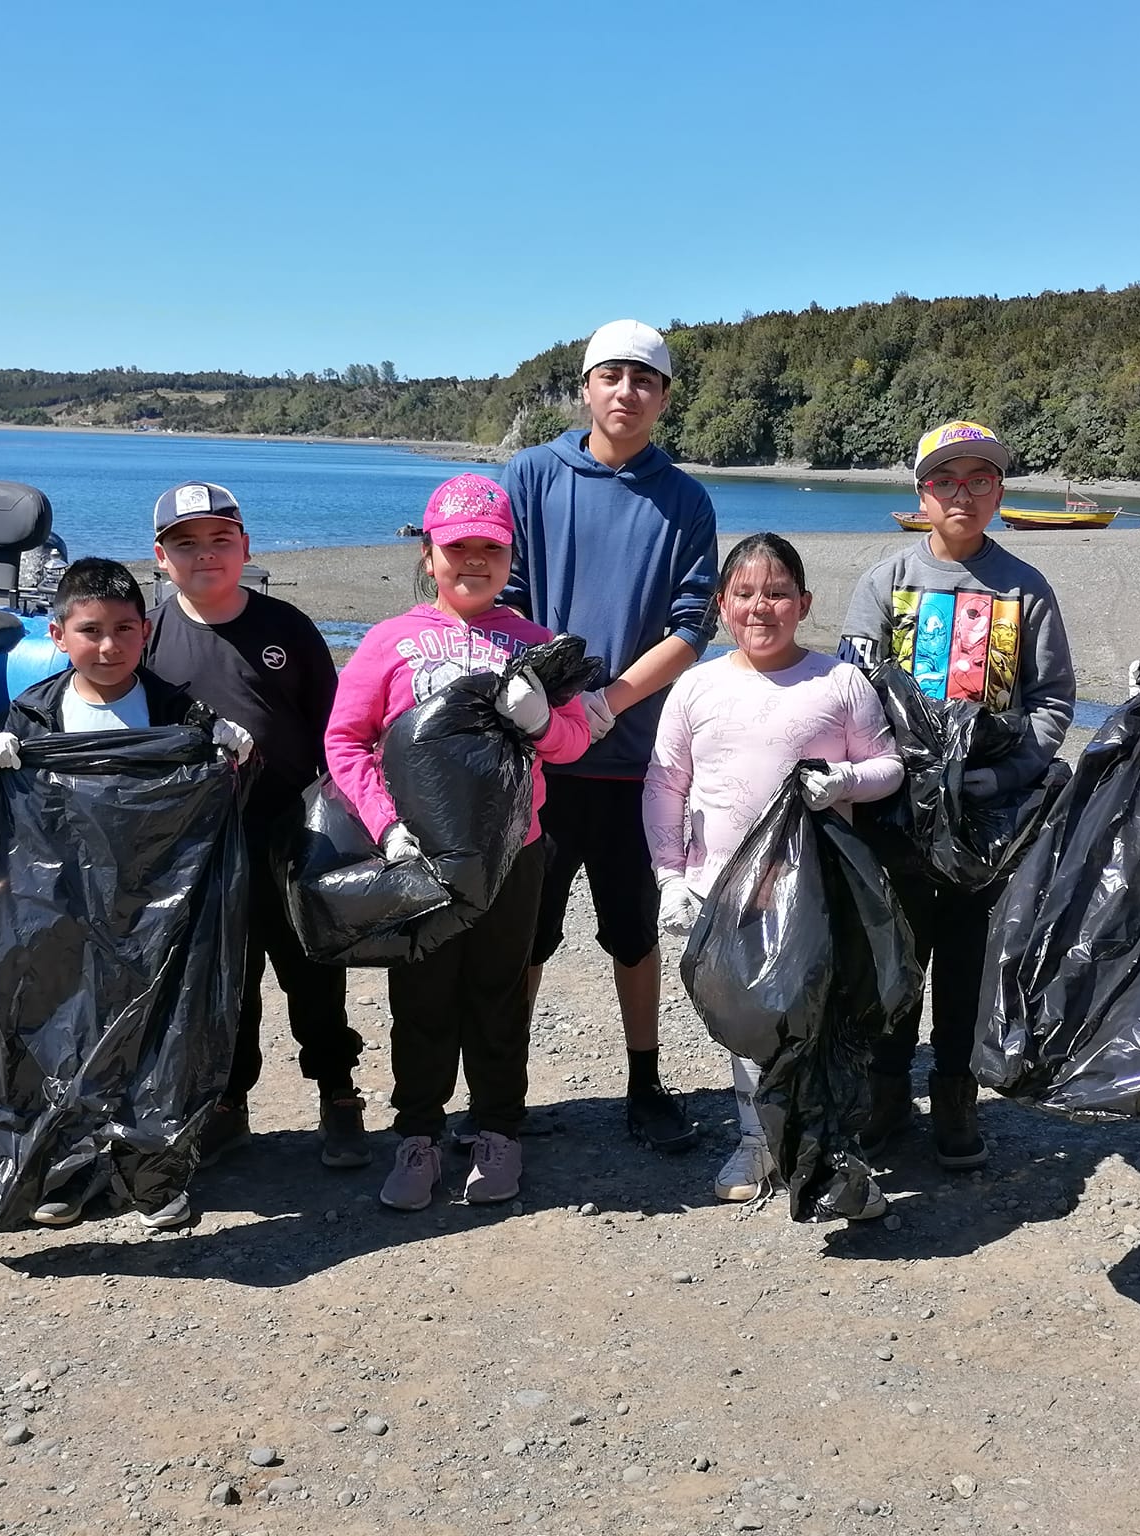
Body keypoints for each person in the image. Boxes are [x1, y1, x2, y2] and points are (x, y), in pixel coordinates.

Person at [324, 474, 591, 1210]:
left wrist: (541, 719)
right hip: (420, 857)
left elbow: (569, 745)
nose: (472, 562)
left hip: (516, 850)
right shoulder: (389, 641)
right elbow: (345, 743)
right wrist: (386, 826)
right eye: (457, 548)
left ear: (510, 557)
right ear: (430, 552)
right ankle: (417, 1134)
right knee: (422, 995)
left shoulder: (534, 643)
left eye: (489, 549)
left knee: (499, 993)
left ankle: (500, 1130)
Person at [0, 555, 255, 1231]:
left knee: (159, 1047)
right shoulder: (34, 719)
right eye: (90, 630)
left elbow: (210, 809)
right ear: (58, 634)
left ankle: (152, 1178)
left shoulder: (175, 710)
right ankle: (66, 1172)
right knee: (63, 1043)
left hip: (159, 920)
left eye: (125, 629)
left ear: (146, 631)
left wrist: (228, 748)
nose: (108, 646)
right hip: (62, 916)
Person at [499, 319, 719, 1153]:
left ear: (663, 398)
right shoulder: (532, 476)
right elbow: (503, 593)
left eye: (646, 380)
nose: (627, 392)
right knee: (527, 930)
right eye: (612, 376)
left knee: (632, 930)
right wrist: (547, 704)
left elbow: (692, 624)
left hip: (634, 762)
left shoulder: (685, 499)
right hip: (535, 759)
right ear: (587, 387)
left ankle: (646, 1081)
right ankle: (504, 1084)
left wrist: (612, 702)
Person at [839, 421, 1076, 1170]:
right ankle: (885, 1095)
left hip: (989, 819)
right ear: (922, 494)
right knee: (893, 955)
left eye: (981, 480)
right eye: (947, 481)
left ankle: (954, 1096)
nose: (964, 495)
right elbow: (852, 694)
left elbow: (1052, 702)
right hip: (897, 814)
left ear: (1000, 492)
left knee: (971, 961)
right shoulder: (885, 584)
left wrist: (999, 776)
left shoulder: (1024, 589)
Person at [645, 533, 905, 1215]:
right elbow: (666, 783)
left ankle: (827, 1153)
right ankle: (755, 1139)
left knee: (814, 1020)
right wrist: (669, 874)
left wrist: (844, 779)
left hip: (811, 890)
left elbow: (889, 767)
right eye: (745, 593)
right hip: (719, 886)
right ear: (723, 606)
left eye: (778, 592)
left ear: (803, 603)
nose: (762, 607)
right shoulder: (697, 684)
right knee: (744, 1018)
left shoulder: (838, 682)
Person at [139, 481, 370, 1170]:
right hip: (202, 847)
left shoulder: (287, 628)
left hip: (293, 836)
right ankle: (227, 1103)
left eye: (219, 540)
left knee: (313, 976)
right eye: (186, 544)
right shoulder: (146, 636)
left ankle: (338, 1094)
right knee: (224, 982)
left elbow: (336, 734)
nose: (204, 555)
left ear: (245, 547)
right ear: (160, 557)